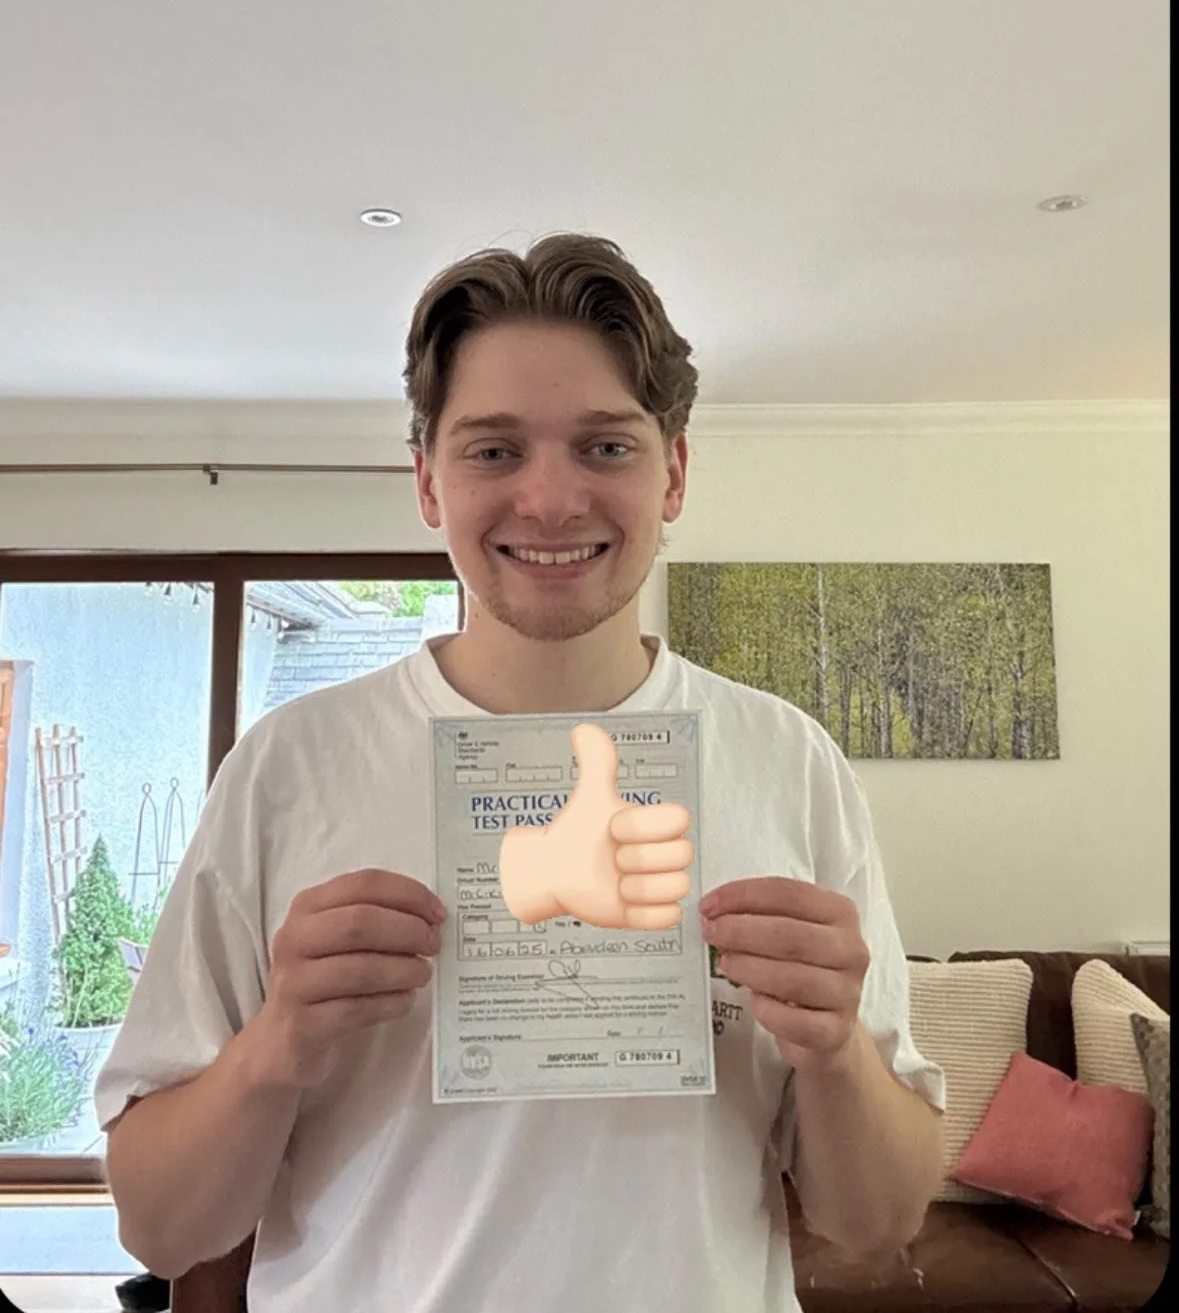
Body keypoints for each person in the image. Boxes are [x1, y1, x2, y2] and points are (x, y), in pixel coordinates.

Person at [98, 233, 944, 1313]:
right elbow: (160, 1227)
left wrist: (834, 1053)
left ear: (674, 471)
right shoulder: (288, 768)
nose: (549, 502)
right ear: (426, 482)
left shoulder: (789, 763)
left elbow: (875, 1224)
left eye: (605, 448)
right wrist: (278, 1046)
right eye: (494, 451)